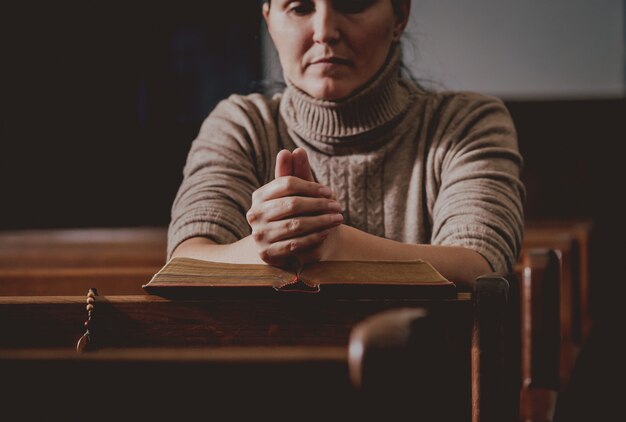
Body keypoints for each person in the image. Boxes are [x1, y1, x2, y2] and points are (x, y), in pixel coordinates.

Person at [168, 0, 524, 288]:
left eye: (352, 3)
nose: (325, 31)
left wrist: (336, 245)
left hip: (431, 371)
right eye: (300, 7)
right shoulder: (240, 124)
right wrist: (266, 246)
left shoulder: (467, 122)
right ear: (269, 21)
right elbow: (184, 260)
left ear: (399, 15)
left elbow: (478, 264)